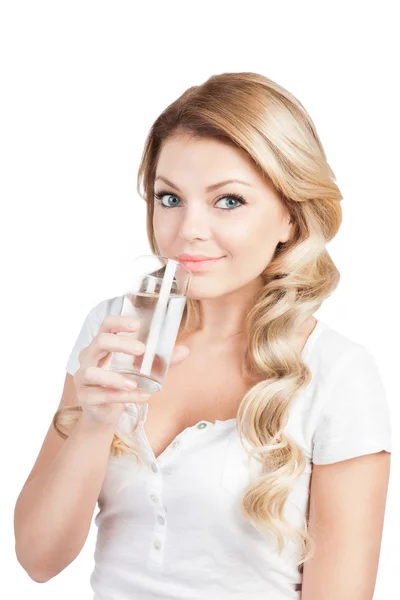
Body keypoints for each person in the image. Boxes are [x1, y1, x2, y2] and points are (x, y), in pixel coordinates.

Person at [14, 72, 392, 600]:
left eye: (228, 200)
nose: (188, 229)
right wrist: (95, 425)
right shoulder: (117, 331)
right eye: (169, 198)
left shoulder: (337, 375)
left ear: (290, 215)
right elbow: (37, 559)